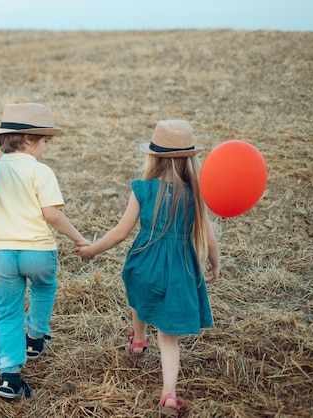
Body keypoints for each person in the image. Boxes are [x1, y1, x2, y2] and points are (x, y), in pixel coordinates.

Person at [75, 120, 220, 417]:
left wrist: (91, 250)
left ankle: (139, 339)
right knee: (168, 337)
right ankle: (168, 394)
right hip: (180, 271)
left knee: (140, 297)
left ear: (154, 156)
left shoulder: (142, 189)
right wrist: (215, 264)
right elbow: (208, 236)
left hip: (143, 262)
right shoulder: (195, 193)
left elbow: (119, 232)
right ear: (189, 159)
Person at [0, 103, 90, 400]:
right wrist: (79, 238)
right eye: (45, 142)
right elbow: (52, 215)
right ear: (28, 140)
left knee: (8, 313)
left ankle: (9, 378)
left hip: (2, 254)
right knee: (44, 286)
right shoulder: (40, 171)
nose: (45, 148)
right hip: (38, 251)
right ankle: (35, 337)